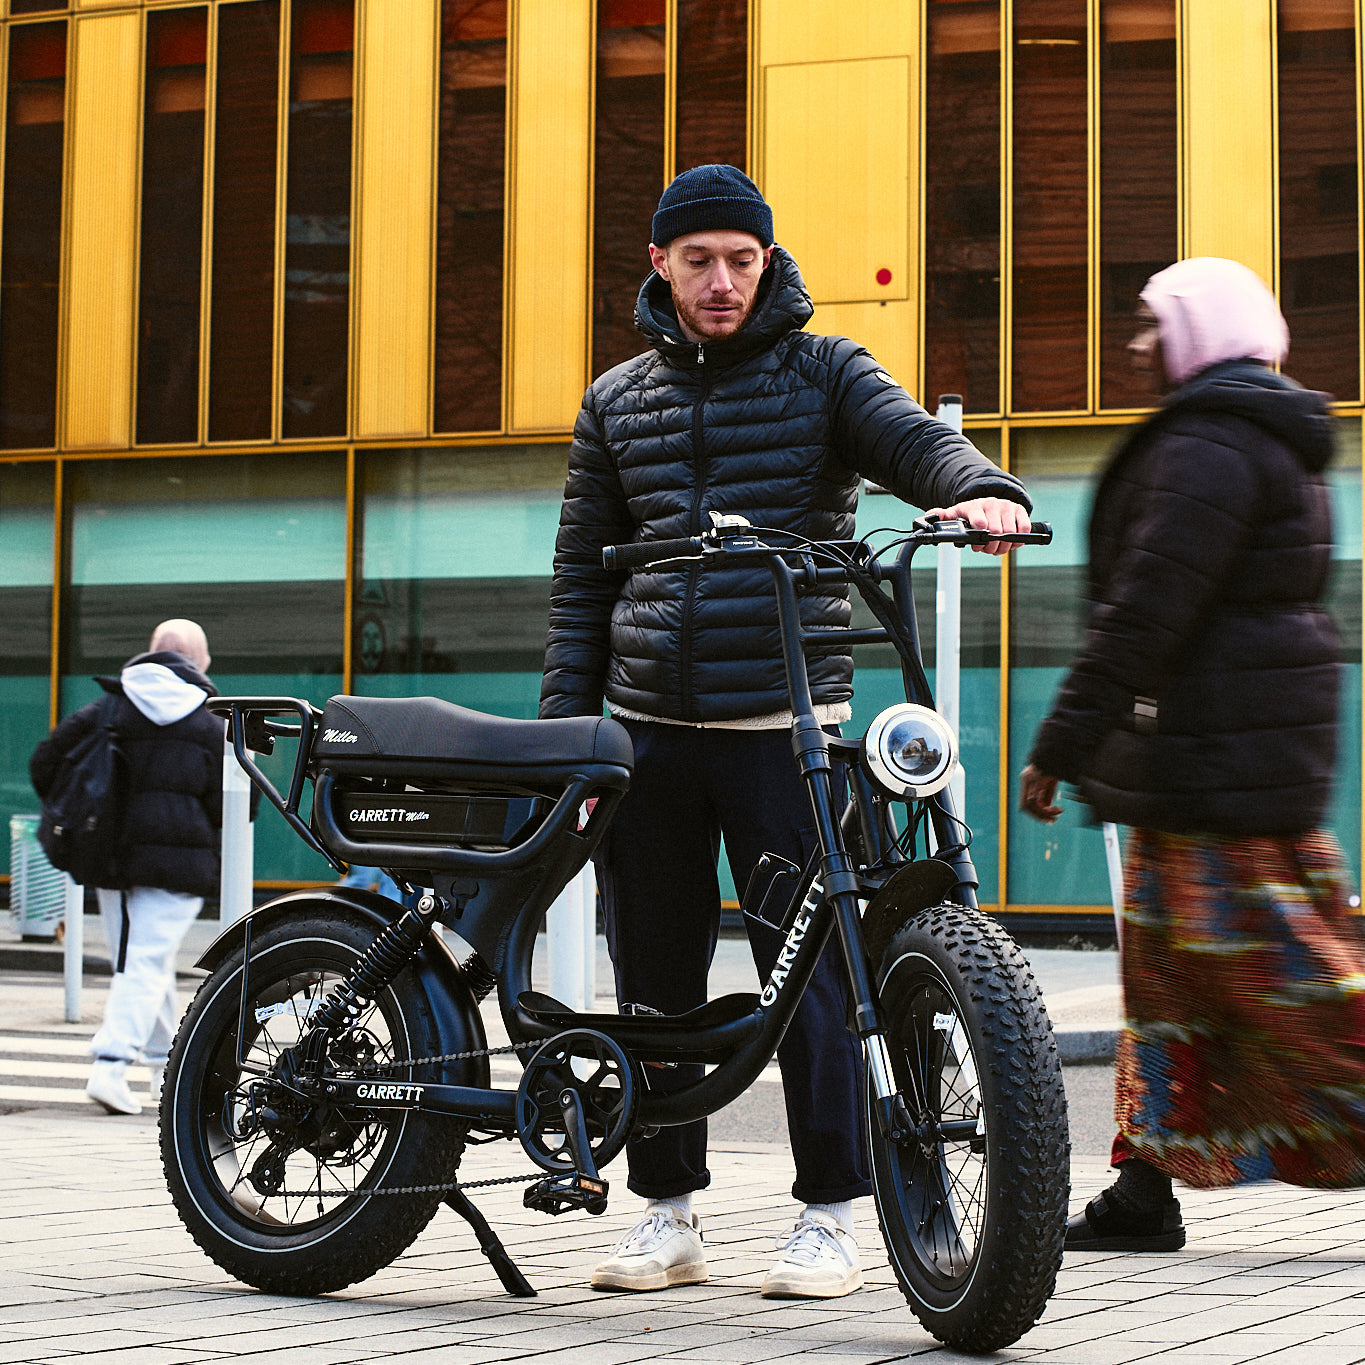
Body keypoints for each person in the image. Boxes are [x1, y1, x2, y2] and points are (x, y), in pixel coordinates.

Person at [540, 163, 1033, 1297]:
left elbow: (914, 443)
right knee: (653, 974)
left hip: (787, 724)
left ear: (768, 264)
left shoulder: (824, 370)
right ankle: (665, 1214)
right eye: (699, 259)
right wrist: (567, 730)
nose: (721, 281)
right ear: (658, 265)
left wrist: (979, 485)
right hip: (648, 724)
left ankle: (828, 1219)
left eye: (741, 260)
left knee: (811, 973)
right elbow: (579, 579)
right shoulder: (617, 401)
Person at [1020, 256, 1365, 1252]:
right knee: (1165, 991)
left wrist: (1062, 743)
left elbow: (1147, 612)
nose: (1134, 346)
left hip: (1220, 776)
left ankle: (1143, 1193)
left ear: (1201, 332)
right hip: (1218, 764)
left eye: (1149, 325)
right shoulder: (1252, 436)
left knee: (1296, 992)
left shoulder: (1214, 442)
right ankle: (1143, 1194)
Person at [31, 619, 226, 1116]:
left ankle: (167, 1070)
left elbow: (46, 761)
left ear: (152, 654)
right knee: (144, 961)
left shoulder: (109, 706)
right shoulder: (209, 721)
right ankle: (111, 1064)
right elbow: (232, 804)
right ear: (198, 661)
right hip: (180, 863)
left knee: (143, 962)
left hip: (113, 858)